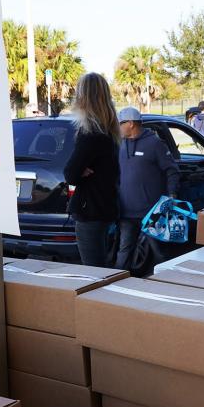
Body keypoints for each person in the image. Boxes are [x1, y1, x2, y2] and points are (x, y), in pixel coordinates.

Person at [64, 73, 120, 267]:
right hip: (105, 207)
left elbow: (70, 173)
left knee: (94, 271)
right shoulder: (108, 130)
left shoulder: (91, 133)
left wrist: (80, 171)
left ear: (83, 97)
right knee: (103, 265)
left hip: (90, 211)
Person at [115, 107, 179, 270]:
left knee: (160, 253)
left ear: (130, 124)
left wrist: (171, 195)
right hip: (126, 212)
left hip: (152, 213)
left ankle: (166, 284)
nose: (118, 127)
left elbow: (171, 170)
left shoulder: (154, 143)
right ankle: (114, 286)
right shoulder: (121, 145)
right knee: (124, 252)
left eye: (120, 123)